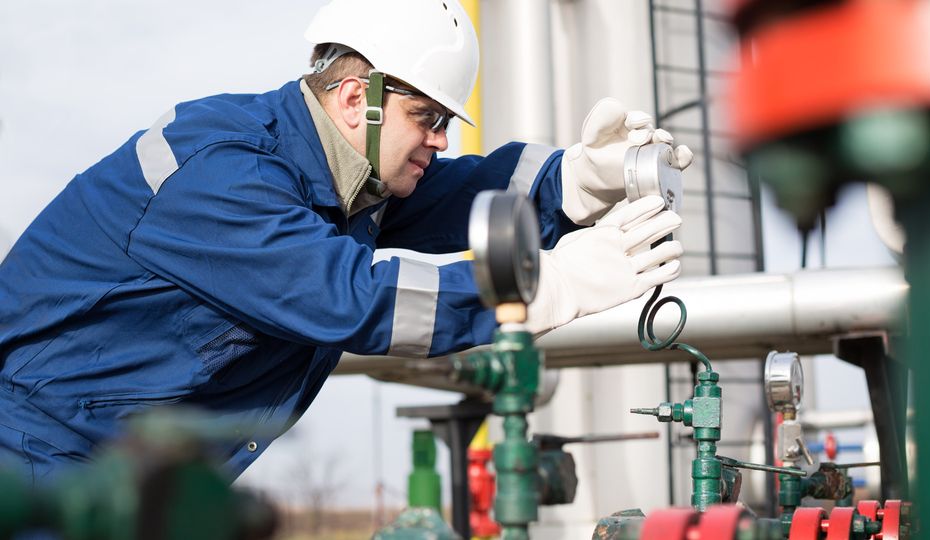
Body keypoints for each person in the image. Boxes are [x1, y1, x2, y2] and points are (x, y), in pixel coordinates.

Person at [0, 0, 691, 483]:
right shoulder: (221, 174)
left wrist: (573, 180)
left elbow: (460, 189)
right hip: (39, 459)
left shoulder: (341, 181)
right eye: (426, 116)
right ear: (357, 98)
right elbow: (349, 298)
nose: (441, 138)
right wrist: (545, 285)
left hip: (126, 473)